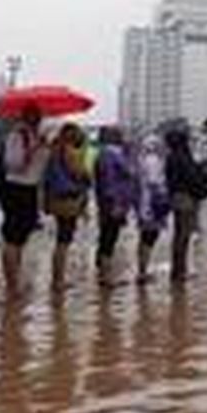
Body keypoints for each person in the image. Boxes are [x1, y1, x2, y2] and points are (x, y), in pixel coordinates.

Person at [0, 104, 47, 295]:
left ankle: (15, 277)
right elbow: (13, 164)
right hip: (15, 188)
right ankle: (11, 284)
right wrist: (34, 149)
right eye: (34, 115)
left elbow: (40, 167)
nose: (38, 119)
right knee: (12, 237)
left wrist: (46, 147)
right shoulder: (17, 136)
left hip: (31, 189)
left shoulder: (37, 136)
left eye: (39, 115)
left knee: (23, 235)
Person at [42, 122, 92, 291]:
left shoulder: (54, 150)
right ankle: (58, 280)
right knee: (63, 241)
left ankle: (57, 278)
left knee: (61, 239)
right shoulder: (69, 151)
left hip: (56, 199)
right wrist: (83, 156)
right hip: (68, 200)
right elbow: (79, 173)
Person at [164, 126, 207, 283]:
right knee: (183, 235)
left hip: (177, 197)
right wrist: (202, 190)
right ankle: (179, 271)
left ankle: (178, 269)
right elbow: (191, 178)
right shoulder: (182, 157)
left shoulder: (171, 157)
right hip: (186, 198)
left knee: (180, 234)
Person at [94, 127, 137, 287]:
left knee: (108, 235)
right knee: (109, 236)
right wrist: (115, 203)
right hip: (113, 202)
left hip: (114, 202)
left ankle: (103, 272)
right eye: (117, 133)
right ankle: (106, 276)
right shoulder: (108, 155)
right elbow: (109, 181)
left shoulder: (111, 154)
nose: (121, 135)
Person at [132, 134, 170, 284]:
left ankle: (142, 269)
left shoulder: (141, 160)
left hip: (145, 204)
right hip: (151, 205)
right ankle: (142, 271)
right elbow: (154, 182)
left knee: (146, 237)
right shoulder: (152, 161)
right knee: (149, 237)